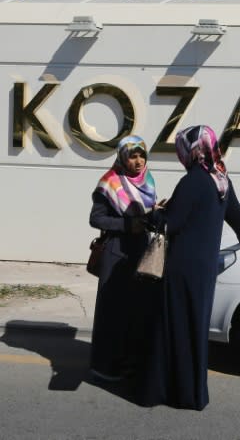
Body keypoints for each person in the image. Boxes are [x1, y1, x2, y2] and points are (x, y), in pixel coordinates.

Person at [137, 125, 240, 410]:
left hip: (181, 265)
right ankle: (193, 393)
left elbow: (170, 224)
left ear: (191, 150)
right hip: (204, 268)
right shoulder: (221, 178)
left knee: (174, 326)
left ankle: (169, 392)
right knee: (195, 327)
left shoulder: (192, 181)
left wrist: (153, 215)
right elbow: (237, 215)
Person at [89, 135, 157, 381]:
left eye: (142, 155)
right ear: (122, 157)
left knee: (135, 310)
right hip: (116, 251)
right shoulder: (109, 183)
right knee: (112, 310)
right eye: (133, 156)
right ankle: (104, 364)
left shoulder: (147, 179)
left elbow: (145, 213)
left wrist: (157, 213)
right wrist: (128, 225)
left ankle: (129, 360)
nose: (138, 161)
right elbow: (96, 219)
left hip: (139, 250)